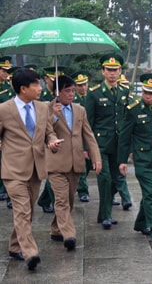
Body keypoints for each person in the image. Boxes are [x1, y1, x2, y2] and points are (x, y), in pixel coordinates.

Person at [0, 68, 62, 271]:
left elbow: (49, 133)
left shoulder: (43, 108)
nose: (40, 88)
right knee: (22, 209)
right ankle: (30, 252)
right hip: (13, 170)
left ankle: (15, 245)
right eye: (36, 84)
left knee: (27, 211)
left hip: (36, 168)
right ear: (23, 88)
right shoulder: (4, 109)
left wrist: (52, 142)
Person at [46, 75, 102, 251]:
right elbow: (42, 131)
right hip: (56, 163)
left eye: (72, 90)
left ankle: (56, 228)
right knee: (61, 200)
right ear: (57, 92)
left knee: (69, 200)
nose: (71, 94)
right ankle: (69, 235)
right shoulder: (47, 109)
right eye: (67, 91)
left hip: (76, 162)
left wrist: (96, 157)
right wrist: (53, 116)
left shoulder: (80, 110)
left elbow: (89, 135)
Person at [118, 73, 152, 244]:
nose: (148, 96)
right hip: (143, 160)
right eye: (145, 92)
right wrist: (123, 161)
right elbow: (124, 138)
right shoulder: (133, 110)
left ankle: (140, 222)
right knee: (149, 193)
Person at [85, 53, 132, 230]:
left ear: (120, 71)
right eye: (109, 70)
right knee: (104, 179)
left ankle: (103, 214)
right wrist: (86, 148)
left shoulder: (124, 91)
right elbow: (87, 123)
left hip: (119, 145)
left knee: (115, 179)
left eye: (116, 70)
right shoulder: (94, 94)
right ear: (103, 71)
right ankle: (105, 215)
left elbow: (128, 120)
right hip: (100, 145)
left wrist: (130, 145)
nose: (112, 73)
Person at [37, 66, 68, 214]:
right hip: (47, 141)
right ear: (46, 80)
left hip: (61, 140)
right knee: (54, 173)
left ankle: (44, 199)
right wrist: (53, 114)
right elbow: (42, 122)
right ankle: (54, 202)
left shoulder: (63, 98)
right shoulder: (42, 98)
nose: (53, 82)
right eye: (51, 79)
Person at [71, 70, 93, 202]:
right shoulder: (72, 99)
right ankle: (83, 191)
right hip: (77, 137)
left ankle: (45, 198)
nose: (83, 87)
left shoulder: (91, 97)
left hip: (90, 135)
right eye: (79, 85)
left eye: (85, 84)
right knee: (83, 166)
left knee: (89, 164)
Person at [0, 56, 14, 205]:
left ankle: (8, 192)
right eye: (3, 71)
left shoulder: (8, 90)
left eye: (7, 71)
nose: (6, 74)